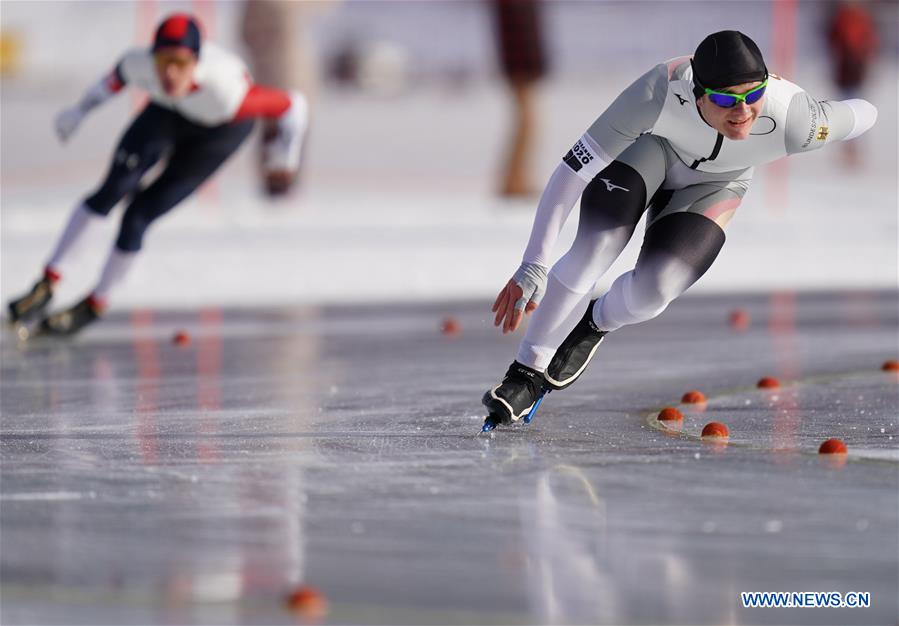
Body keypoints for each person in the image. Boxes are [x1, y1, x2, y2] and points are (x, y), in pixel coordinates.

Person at [482, 30, 877, 427]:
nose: (742, 111)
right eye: (725, 99)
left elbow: (864, 112)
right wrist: (534, 262)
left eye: (753, 95)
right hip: (651, 152)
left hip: (718, 183)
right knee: (594, 249)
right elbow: (572, 171)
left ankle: (595, 322)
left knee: (655, 291)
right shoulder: (656, 92)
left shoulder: (796, 121)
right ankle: (525, 374)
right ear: (698, 93)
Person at [6, 13, 308, 335]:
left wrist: (285, 157)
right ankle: (46, 283)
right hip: (168, 110)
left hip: (220, 130)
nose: (170, 73)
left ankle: (95, 303)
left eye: (180, 63)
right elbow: (111, 82)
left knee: (138, 216)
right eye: (163, 61)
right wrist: (78, 111)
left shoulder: (228, 93)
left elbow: (294, 106)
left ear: (196, 62)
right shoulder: (138, 65)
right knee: (111, 190)